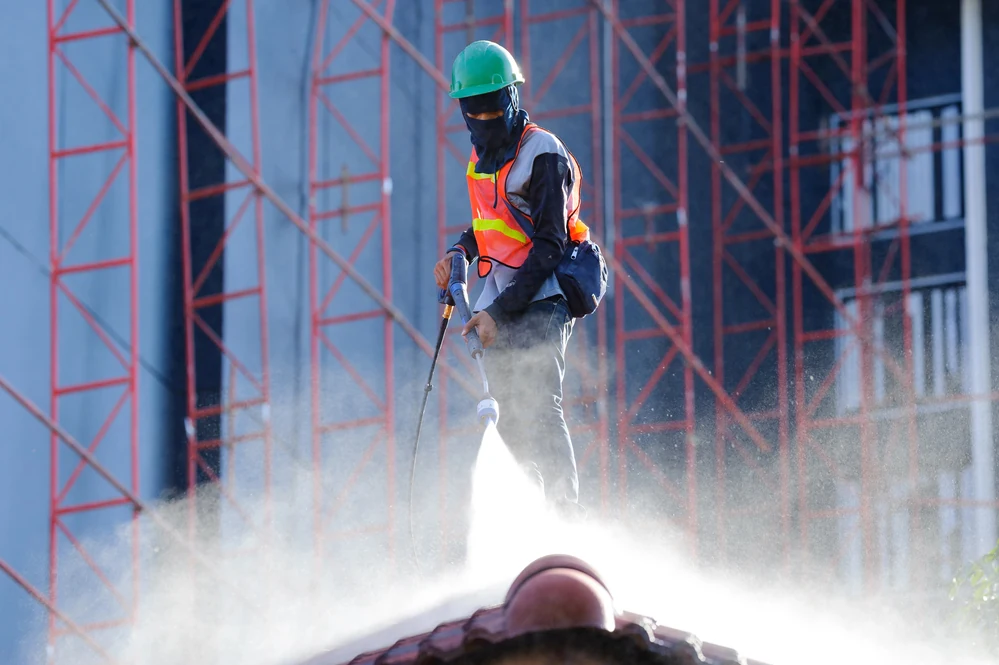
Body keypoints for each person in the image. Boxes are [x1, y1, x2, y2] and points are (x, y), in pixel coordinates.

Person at [433, 40, 590, 517]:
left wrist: (497, 313)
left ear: (512, 99)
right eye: (473, 112)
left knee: (541, 406)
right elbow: (489, 226)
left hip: (545, 296)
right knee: (508, 418)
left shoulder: (543, 153)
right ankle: (532, 517)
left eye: (490, 109)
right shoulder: (479, 165)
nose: (482, 121)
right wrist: (459, 251)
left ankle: (566, 517)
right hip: (500, 298)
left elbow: (549, 245)